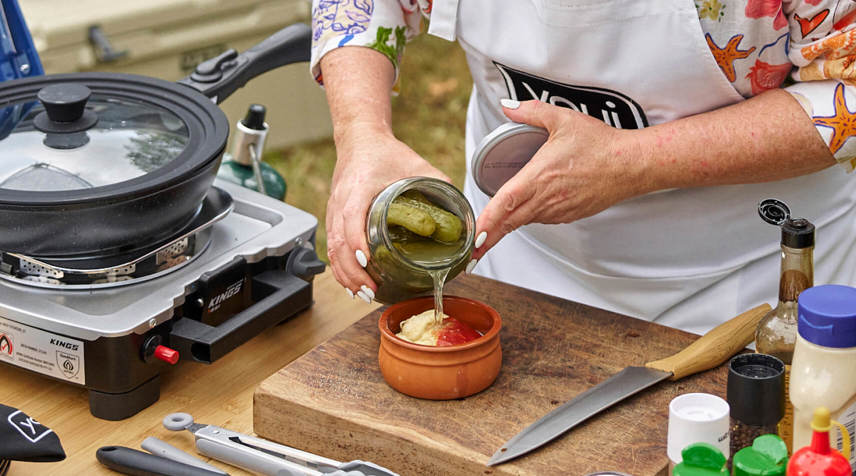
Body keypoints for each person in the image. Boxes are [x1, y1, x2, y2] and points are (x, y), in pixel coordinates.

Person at [311, 0, 856, 334]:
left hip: (747, 281)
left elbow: (847, 95)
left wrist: (632, 160)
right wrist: (361, 133)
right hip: (518, 257)